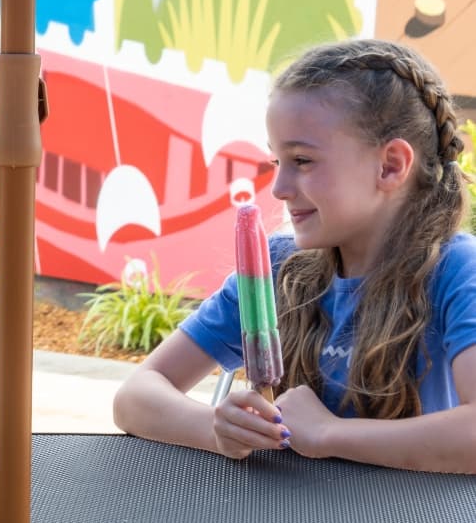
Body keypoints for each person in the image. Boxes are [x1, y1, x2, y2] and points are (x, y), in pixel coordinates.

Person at [113, 38, 476, 473]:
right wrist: (217, 428)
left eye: (302, 160)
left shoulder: (456, 271)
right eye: (276, 162)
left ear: (391, 165)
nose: (279, 188)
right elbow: (134, 396)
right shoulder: (277, 269)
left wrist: (327, 434)